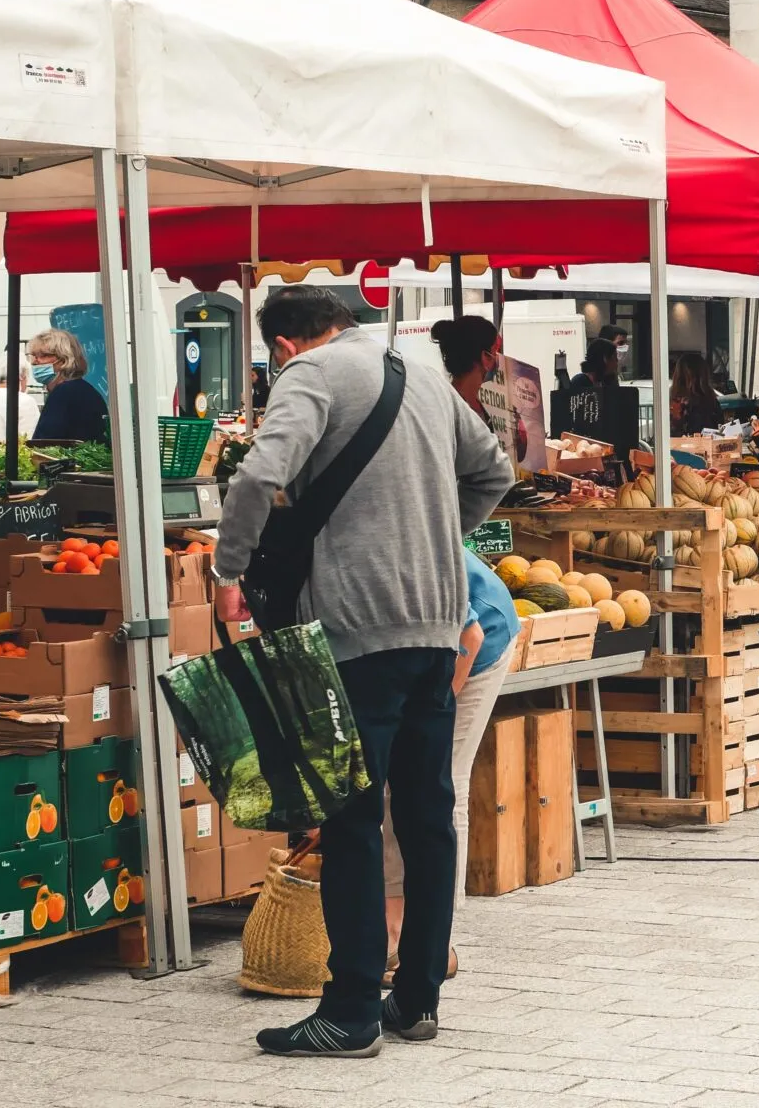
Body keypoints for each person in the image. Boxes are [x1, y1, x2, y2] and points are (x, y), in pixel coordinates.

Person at [213, 285, 513, 1058]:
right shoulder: (421, 373)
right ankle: (415, 1001)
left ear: (285, 343)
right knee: (424, 815)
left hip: (357, 629)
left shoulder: (309, 375)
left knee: (348, 817)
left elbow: (254, 478)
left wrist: (227, 571)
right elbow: (495, 473)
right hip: (439, 624)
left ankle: (347, 1011)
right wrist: (435, 537)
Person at [381, 547, 516, 984]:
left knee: (440, 782)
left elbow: (469, 638)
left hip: (476, 643)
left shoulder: (400, 555)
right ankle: (392, 930)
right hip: (418, 646)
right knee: (389, 790)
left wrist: (435, 708)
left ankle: (437, 943)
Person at [28, 328, 108, 442]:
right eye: (33, 356)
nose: (34, 362)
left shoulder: (63, 393)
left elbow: (44, 444)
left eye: (44, 355)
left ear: (65, 359)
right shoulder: (84, 390)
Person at [429, 317, 501, 416]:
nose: (498, 359)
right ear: (485, 357)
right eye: (495, 352)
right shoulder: (461, 410)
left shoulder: (444, 404)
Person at [669, 351, 725, 435]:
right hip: (706, 444)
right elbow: (720, 428)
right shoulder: (710, 401)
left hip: (676, 444)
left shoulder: (673, 401)